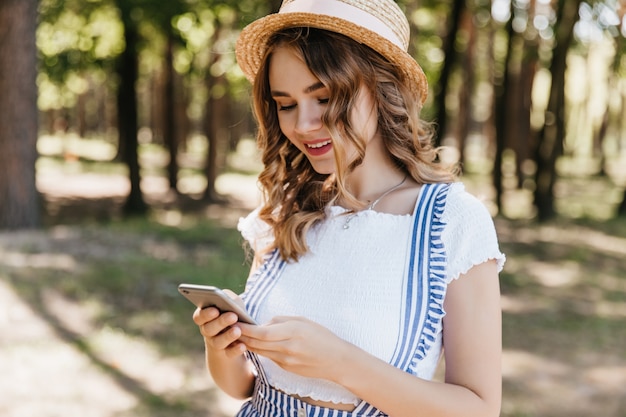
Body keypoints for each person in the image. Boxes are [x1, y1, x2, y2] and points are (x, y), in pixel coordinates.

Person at [192, 1, 506, 416]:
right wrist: (222, 347)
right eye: (285, 104)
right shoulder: (289, 207)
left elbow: (479, 409)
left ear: (381, 87)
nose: (303, 124)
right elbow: (244, 387)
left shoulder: (451, 222)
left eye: (323, 98)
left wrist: (340, 362)